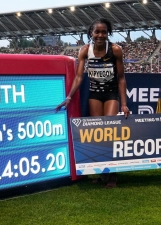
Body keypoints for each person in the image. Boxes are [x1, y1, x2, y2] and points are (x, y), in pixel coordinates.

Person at [55, 18, 130, 188]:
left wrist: (124, 104)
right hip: (95, 94)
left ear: (108, 33)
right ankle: (102, 171)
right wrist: (69, 97)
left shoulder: (115, 50)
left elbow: (121, 78)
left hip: (111, 94)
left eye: (104, 32)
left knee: (110, 133)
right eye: (97, 32)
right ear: (91, 33)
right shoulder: (84, 51)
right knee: (98, 134)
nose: (100, 35)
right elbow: (79, 77)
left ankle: (112, 175)